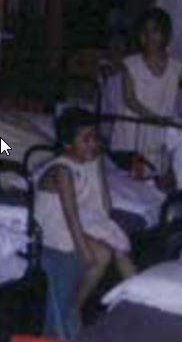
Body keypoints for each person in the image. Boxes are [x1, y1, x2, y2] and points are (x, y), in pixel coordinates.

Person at [35, 108, 136, 317]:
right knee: (102, 254)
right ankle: (74, 309)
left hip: (78, 216)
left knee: (118, 248)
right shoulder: (62, 171)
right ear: (68, 144)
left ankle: (141, 300)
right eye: (86, 139)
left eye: (95, 138)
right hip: (54, 224)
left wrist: (97, 166)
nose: (93, 144)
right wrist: (84, 251)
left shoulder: (88, 161)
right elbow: (70, 218)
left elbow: (103, 207)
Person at [110, 7, 182, 171]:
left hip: (159, 130)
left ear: (165, 35)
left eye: (155, 31)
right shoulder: (130, 64)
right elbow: (130, 100)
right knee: (129, 174)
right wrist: (156, 119)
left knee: (158, 172)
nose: (149, 37)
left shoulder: (177, 67)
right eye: (144, 32)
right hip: (133, 128)